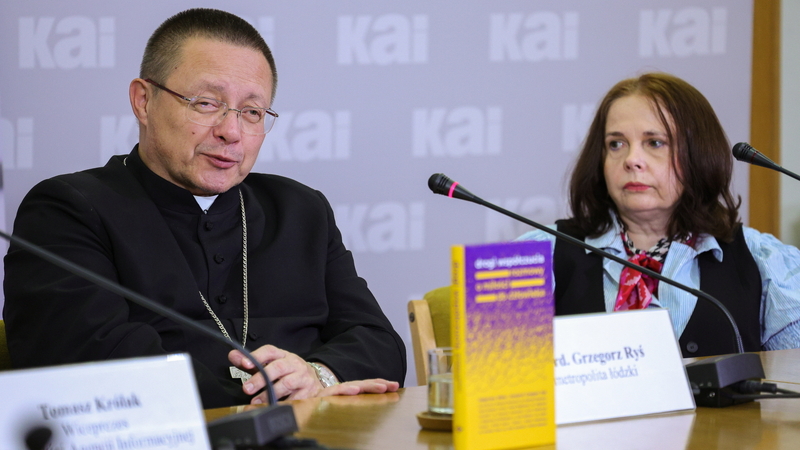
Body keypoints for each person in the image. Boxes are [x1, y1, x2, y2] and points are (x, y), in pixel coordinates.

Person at [2, 8, 405, 408]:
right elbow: (95, 366)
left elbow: (379, 342)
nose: (231, 132)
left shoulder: (301, 210)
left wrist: (317, 376)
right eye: (207, 103)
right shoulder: (69, 211)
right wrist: (269, 400)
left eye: (252, 112)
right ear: (143, 101)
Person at [519, 72, 800, 357]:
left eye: (654, 142)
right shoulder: (536, 256)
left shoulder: (764, 262)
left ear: (697, 154)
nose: (631, 160)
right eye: (616, 144)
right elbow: (501, 371)